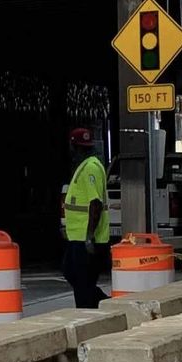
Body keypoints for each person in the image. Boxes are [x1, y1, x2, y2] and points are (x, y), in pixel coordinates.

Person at [59, 127, 110, 308]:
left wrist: (89, 237)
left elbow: (95, 204)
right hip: (78, 236)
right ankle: (103, 303)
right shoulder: (87, 165)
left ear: (75, 146)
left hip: (86, 238)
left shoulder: (90, 168)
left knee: (82, 281)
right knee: (71, 272)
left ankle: (91, 311)